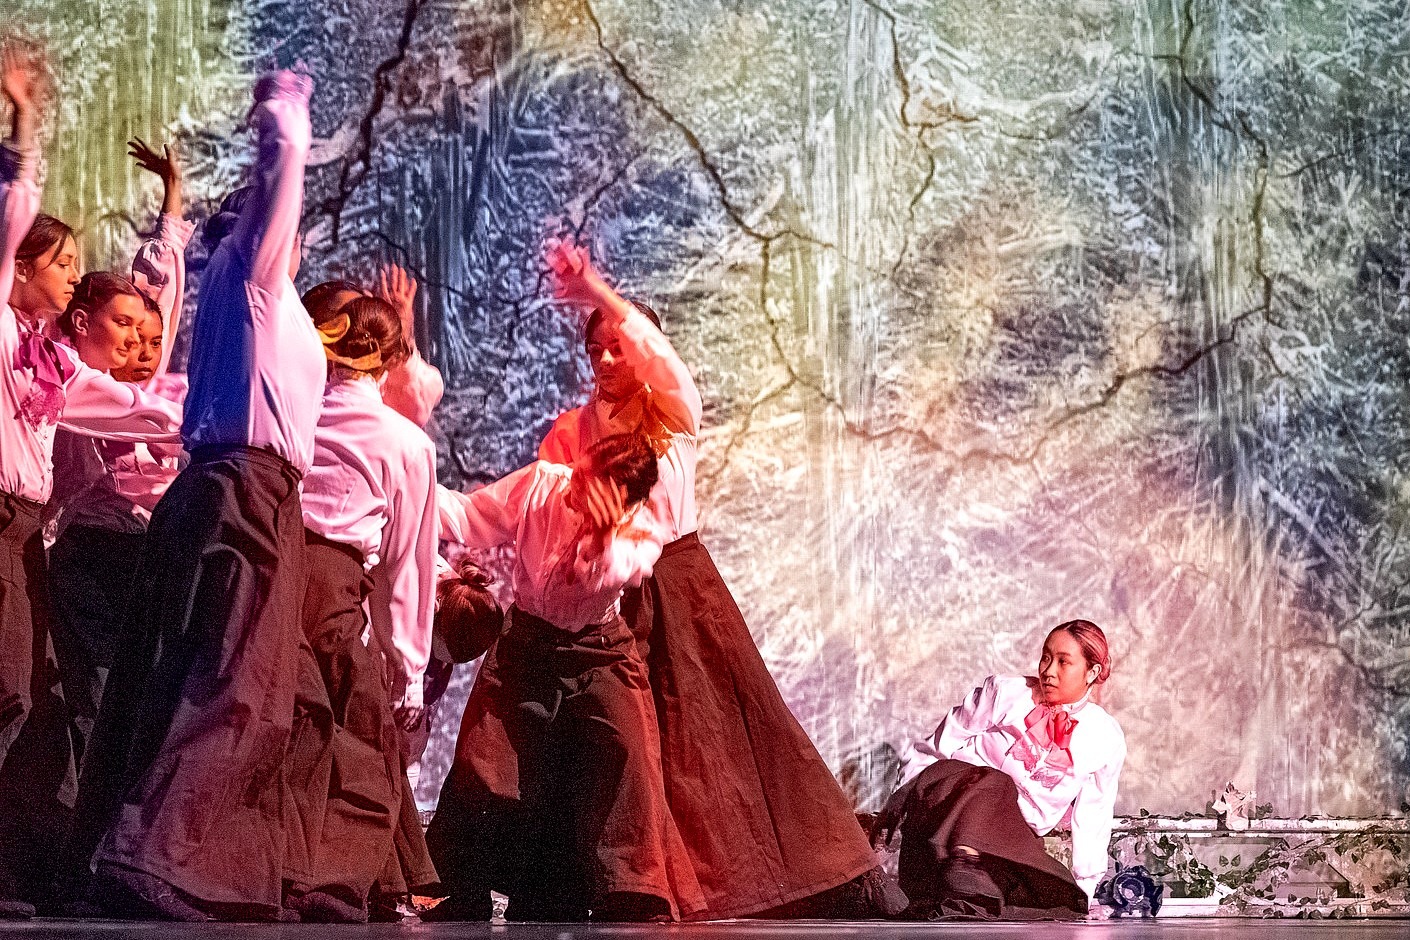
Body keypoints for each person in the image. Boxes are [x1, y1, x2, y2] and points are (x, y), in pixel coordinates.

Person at [538, 241, 893, 919]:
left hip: (680, 584)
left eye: (619, 347)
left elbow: (658, 360)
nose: (608, 359)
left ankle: (814, 874)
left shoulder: (671, 413)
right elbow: (551, 514)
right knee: (623, 743)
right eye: (597, 351)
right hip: (608, 595)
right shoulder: (571, 432)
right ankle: (634, 881)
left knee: (721, 735)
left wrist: (598, 293)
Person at [85, 69, 325, 922]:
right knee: (237, 685)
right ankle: (159, 859)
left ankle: (164, 857)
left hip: (237, 494)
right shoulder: (252, 282)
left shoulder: (267, 301)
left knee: (197, 673)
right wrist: (284, 106)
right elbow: (284, 163)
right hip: (241, 493)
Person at [0, 42, 183, 918]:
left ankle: (61, 858)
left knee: (52, 698)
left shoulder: (57, 368)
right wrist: (22, 131)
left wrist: (228, 427)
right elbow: (12, 219)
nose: (74, 277)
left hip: (65, 542)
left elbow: (143, 382)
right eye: (62, 265)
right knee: (34, 695)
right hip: (39, 535)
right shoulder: (20, 342)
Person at [424, 432, 705, 923]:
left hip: (598, 649)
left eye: (592, 485)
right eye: (581, 473)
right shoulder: (541, 485)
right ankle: (465, 886)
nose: (576, 486)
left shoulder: (642, 530)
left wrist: (600, 530)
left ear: (625, 500)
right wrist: (412, 482)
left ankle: (629, 893)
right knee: (481, 759)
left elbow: (596, 574)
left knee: (629, 749)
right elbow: (472, 517)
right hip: (528, 643)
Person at [283, 292, 438, 923]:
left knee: (291, 723)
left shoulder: (294, 415)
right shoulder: (403, 442)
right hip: (332, 588)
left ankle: (311, 870)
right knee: (361, 731)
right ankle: (345, 880)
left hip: (275, 578)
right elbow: (407, 565)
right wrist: (409, 667)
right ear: (391, 357)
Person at [46, 139, 192, 779]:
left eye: (153, 338)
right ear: (81, 326)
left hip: (148, 551)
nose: (142, 344)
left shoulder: (162, 387)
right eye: (127, 330)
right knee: (96, 693)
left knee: (153, 692)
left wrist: (172, 203)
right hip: (91, 550)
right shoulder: (72, 381)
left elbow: (160, 288)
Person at [872, 620, 1125, 920]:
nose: (1048, 670)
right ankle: (961, 862)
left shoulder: (1104, 736)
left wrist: (1087, 887)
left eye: (1063, 662)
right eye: (1046, 657)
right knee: (997, 782)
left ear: (1092, 672)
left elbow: (1094, 813)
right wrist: (905, 799)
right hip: (947, 807)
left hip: (1002, 836)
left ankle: (961, 881)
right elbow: (938, 746)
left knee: (1055, 898)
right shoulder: (1008, 692)